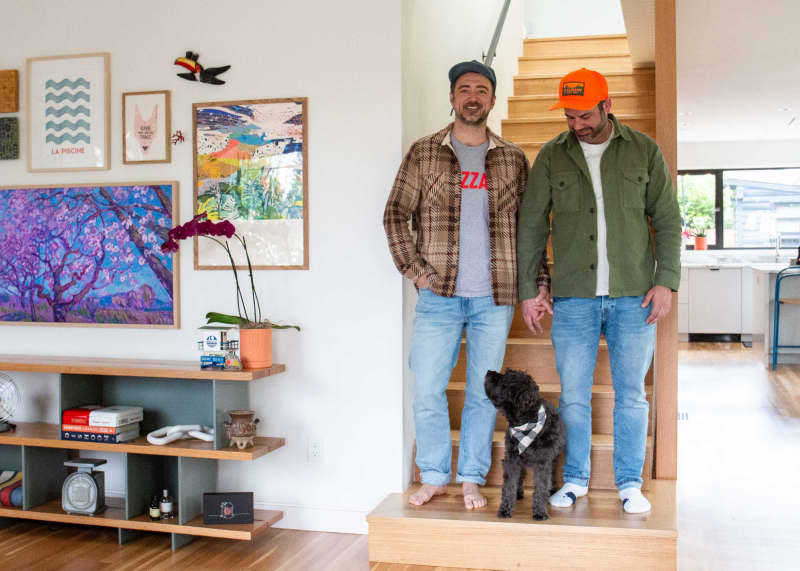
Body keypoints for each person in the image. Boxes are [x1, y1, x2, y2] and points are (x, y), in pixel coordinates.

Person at [383, 60, 550, 509]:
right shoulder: (424, 153)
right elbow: (395, 214)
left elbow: (531, 230)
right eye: (464, 89)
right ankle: (435, 474)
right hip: (438, 297)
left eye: (481, 89)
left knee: (482, 393)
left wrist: (538, 283)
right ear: (453, 98)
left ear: (492, 99)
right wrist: (416, 271)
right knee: (426, 389)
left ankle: (472, 476)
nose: (472, 96)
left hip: (494, 298)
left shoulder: (513, 159)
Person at [516, 68, 681, 514]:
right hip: (574, 296)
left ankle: (630, 483)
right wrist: (531, 288)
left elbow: (666, 219)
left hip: (634, 295)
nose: (576, 124)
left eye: (584, 114)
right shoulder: (551, 156)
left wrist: (666, 280)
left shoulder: (644, 151)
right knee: (572, 394)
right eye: (569, 116)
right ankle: (575, 480)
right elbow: (531, 225)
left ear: (607, 106)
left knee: (630, 394)